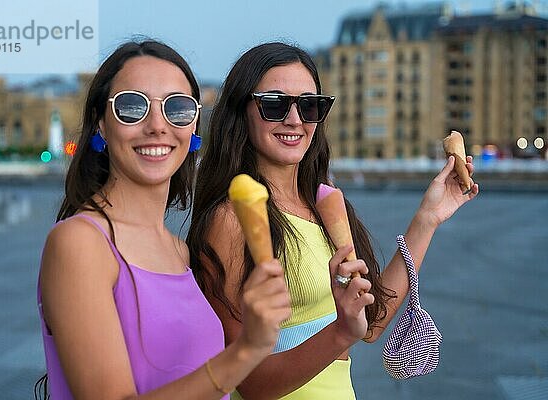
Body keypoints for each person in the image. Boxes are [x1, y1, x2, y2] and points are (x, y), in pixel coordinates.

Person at [186, 42, 479, 400]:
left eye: (309, 105)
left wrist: (428, 217)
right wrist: (341, 331)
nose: (294, 120)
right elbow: (250, 383)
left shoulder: (324, 205)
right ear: (242, 112)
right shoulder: (232, 219)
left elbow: (369, 322)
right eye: (275, 104)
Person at [36, 40, 291, 400]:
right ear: (101, 125)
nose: (157, 125)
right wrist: (246, 351)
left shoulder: (179, 251)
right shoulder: (80, 243)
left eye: (178, 109)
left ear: (194, 127)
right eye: (131, 107)